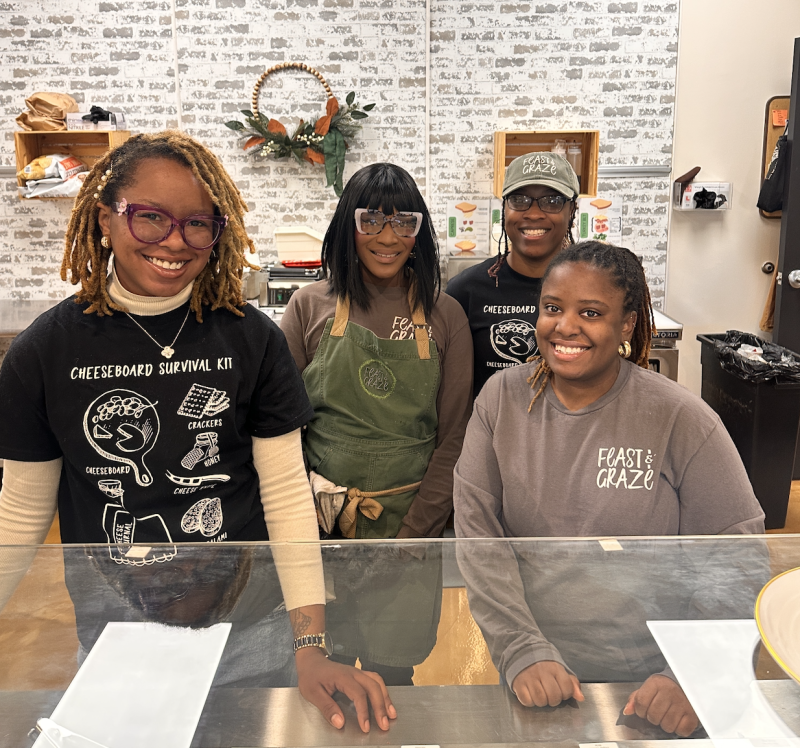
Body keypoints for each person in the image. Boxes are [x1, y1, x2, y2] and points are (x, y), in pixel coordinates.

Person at [0, 131, 394, 733]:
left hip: (251, 633)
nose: (174, 242)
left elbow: (285, 493)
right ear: (105, 219)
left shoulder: (250, 339)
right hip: (117, 634)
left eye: (197, 224)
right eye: (150, 218)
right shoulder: (44, 352)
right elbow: (21, 514)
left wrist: (310, 644)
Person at [453, 241, 766, 737]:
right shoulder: (501, 400)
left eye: (591, 312)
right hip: (535, 672)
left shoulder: (678, 417)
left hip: (655, 684)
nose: (565, 326)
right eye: (552, 308)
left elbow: (737, 553)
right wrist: (521, 649)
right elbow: (480, 536)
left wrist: (692, 672)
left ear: (626, 324)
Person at [281, 162, 473, 685]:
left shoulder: (445, 314)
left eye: (404, 223)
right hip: (323, 526)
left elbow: (454, 437)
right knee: (328, 667)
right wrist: (311, 508)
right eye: (372, 221)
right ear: (348, 224)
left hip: (411, 522)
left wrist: (412, 537)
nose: (388, 238)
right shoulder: (308, 305)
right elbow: (281, 431)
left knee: (395, 674)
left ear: (420, 232)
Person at [446, 151, 579, 397]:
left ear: (572, 210)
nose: (534, 213)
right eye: (520, 199)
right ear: (504, 209)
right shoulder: (465, 291)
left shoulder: (590, 287)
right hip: (490, 433)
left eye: (552, 201)